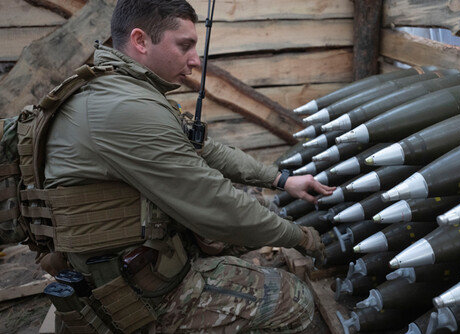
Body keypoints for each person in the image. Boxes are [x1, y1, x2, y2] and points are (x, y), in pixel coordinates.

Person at [41, 0, 334, 332]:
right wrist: (300, 238)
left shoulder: (123, 89)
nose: (195, 60)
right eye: (185, 46)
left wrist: (281, 180)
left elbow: (206, 150)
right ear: (140, 41)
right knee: (294, 300)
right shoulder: (124, 110)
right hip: (131, 293)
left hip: (133, 257)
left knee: (256, 211)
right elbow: (216, 202)